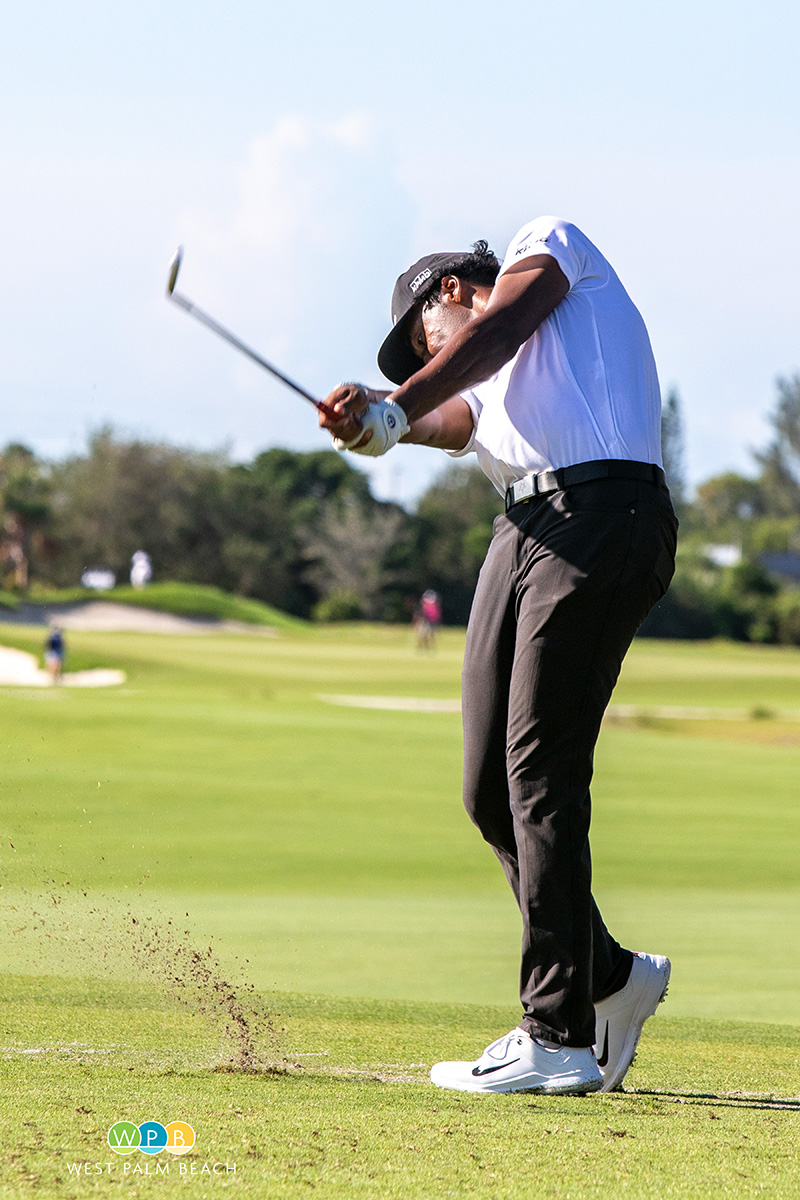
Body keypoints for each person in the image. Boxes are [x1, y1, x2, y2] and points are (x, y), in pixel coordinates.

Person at [319, 216, 678, 1096]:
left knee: (541, 769)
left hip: (604, 513)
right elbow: (451, 417)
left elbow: (496, 331)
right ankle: (611, 978)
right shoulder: (488, 387)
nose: (421, 360)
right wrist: (385, 425)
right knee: (489, 788)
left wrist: (396, 403)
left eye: (419, 346)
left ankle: (556, 1034)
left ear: (446, 294)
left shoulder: (548, 247)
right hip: (525, 526)